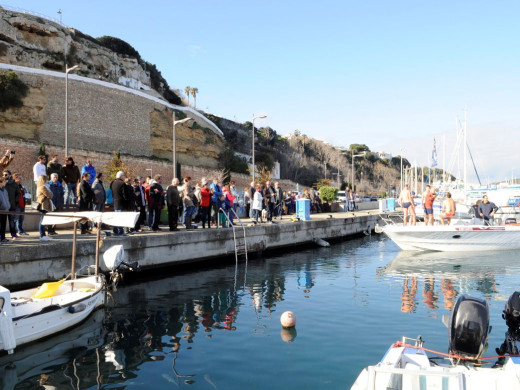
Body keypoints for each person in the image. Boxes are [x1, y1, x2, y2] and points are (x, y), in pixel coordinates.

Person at [3, 170, 20, 240]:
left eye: (6, 174)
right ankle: (2, 235)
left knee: (12, 221)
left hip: (11, 206)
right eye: (3, 175)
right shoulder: (2, 183)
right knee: (2, 222)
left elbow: (18, 194)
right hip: (3, 206)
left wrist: (14, 201)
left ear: (10, 175)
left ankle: (13, 234)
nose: (4, 176)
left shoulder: (14, 184)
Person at [36, 175, 53, 241]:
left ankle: (44, 235)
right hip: (43, 205)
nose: (48, 181)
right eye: (46, 179)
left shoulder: (41, 187)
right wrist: (51, 193)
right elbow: (49, 195)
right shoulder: (42, 187)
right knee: (42, 221)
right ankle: (42, 235)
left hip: (45, 205)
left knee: (43, 220)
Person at [110, 171, 127, 236]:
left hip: (115, 202)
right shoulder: (122, 183)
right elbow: (124, 195)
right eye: (124, 175)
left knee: (116, 217)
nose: (124, 177)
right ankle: (120, 231)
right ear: (121, 176)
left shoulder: (113, 183)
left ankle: (115, 231)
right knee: (120, 218)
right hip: (121, 203)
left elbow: (112, 193)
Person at [0, 177, 10, 243]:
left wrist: (8, 206)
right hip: (0, 210)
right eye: (4, 181)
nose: (5, 182)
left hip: (5, 210)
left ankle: (3, 238)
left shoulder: (5, 190)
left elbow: (7, 199)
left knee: (3, 225)